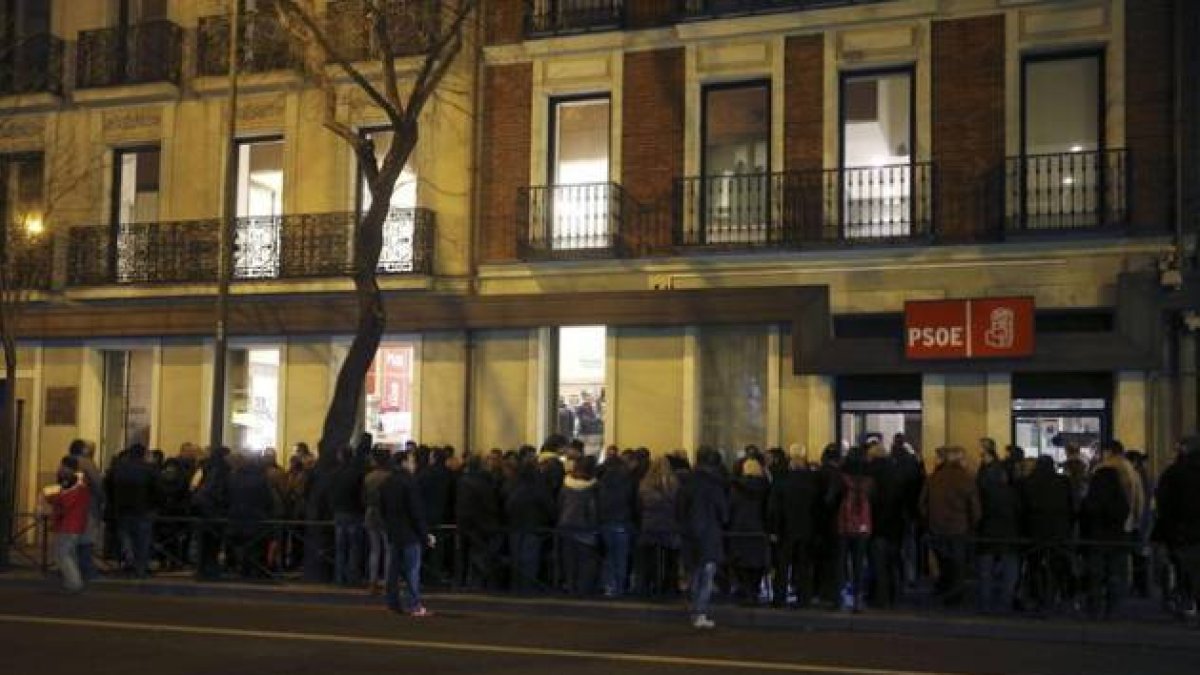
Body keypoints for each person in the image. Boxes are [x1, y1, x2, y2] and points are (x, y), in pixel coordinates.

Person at [920, 446, 979, 607]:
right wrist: (973, 524)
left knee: (943, 561)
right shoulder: (966, 479)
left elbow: (922, 504)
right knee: (958, 563)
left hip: (937, 527)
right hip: (959, 527)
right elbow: (974, 507)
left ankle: (944, 591)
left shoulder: (934, 478)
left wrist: (929, 520)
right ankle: (956, 596)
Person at [678, 447, 728, 629]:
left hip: (690, 534)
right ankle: (700, 612)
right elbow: (724, 513)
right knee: (706, 576)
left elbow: (680, 510)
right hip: (709, 534)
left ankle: (694, 610)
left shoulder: (687, 482)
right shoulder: (715, 485)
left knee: (695, 574)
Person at [380, 450, 435, 617]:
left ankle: (392, 603)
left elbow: (382, 508)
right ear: (404, 463)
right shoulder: (410, 482)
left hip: (394, 532)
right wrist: (425, 534)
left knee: (393, 570)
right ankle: (414, 605)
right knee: (412, 571)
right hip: (410, 533)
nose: (414, 464)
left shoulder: (387, 482)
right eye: (411, 461)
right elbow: (416, 511)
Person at [1020, 455, 1076, 613]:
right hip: (1059, 531)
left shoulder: (1027, 483)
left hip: (1035, 531)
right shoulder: (1063, 482)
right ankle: (1059, 595)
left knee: (1034, 565)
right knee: (1058, 565)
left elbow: (1022, 508)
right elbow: (1071, 507)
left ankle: (1036, 596)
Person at [1154, 436, 1200, 624]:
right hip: (1187, 531)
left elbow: (1163, 503)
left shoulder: (1174, 472)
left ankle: (1189, 605)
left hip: (1183, 533)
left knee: (1185, 572)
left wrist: (1168, 529)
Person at [1080, 457, 1130, 619]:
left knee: (1095, 576)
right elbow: (1124, 516)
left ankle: (1094, 609)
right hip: (1115, 541)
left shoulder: (1092, 498)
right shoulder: (1120, 498)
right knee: (1114, 576)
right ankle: (1112, 609)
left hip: (1095, 541)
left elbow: (1085, 519)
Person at [767, 447, 818, 607]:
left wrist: (773, 529)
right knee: (803, 566)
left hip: (785, 529)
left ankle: (779, 598)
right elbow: (817, 508)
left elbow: (773, 508)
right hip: (807, 528)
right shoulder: (812, 482)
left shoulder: (781, 481)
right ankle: (804, 598)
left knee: (782, 566)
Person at [976, 460, 1021, 614]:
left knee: (985, 572)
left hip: (987, 535)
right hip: (1009, 535)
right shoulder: (1012, 493)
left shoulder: (983, 493)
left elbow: (977, 514)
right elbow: (1020, 512)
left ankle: (985, 603)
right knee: (1010, 571)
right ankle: (1005, 602)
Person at [504, 459, 555, 593]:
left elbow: (507, 505)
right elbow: (549, 507)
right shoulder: (539, 487)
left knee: (516, 562)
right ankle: (527, 591)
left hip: (515, 528)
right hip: (533, 528)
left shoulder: (513, 485)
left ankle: (517, 589)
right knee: (529, 563)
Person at [44, 456, 92, 593]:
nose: (59, 468)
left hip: (69, 524)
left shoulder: (75, 483)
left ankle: (74, 582)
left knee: (63, 554)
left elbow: (65, 501)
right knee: (68, 554)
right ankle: (72, 581)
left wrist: (52, 498)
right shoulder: (79, 482)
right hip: (72, 523)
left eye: (61, 466)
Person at [110, 443, 158, 578]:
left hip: (122, 509)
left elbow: (108, 486)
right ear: (143, 454)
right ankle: (140, 569)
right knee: (142, 541)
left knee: (126, 537)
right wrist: (154, 505)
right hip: (143, 510)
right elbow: (158, 489)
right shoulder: (149, 469)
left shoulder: (118, 468)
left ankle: (128, 561)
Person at [636, 455, 681, 597]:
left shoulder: (644, 484)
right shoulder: (674, 484)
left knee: (650, 558)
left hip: (650, 525)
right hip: (670, 524)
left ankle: (651, 585)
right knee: (671, 558)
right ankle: (670, 586)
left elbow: (639, 506)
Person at [836, 447, 875, 612]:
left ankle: (840, 597)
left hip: (844, 526)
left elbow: (831, 499)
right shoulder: (869, 480)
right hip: (863, 526)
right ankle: (858, 597)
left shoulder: (841, 478)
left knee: (841, 562)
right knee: (859, 562)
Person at [457, 454, 504, 589]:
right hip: (484, 526)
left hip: (470, 526)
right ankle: (483, 585)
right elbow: (491, 505)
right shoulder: (486, 482)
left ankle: (472, 584)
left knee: (474, 557)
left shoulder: (464, 482)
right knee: (483, 557)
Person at [729, 457, 770, 605]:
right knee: (757, 562)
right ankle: (754, 590)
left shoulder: (736, 487)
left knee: (741, 561)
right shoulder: (766, 488)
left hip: (739, 528)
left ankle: (745, 591)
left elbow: (731, 507)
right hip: (759, 528)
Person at [557, 455, 600, 596]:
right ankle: (583, 591)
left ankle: (570, 588)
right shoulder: (593, 487)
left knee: (569, 562)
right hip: (585, 529)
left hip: (566, 527)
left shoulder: (566, 484)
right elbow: (593, 510)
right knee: (585, 563)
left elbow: (560, 505)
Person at [597, 450, 637, 597]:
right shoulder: (628, 479)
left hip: (606, 521)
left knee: (609, 555)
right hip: (623, 520)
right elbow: (632, 501)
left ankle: (609, 586)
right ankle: (620, 587)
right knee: (621, 556)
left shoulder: (604, 479)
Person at [67, 439, 103, 581]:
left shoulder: (66, 462)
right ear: (83, 450)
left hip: (69, 506)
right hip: (86, 505)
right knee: (86, 539)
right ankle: (88, 571)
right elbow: (97, 484)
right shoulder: (86, 463)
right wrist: (102, 499)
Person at [331, 445, 367, 586]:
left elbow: (331, 494)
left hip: (339, 513)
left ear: (340, 456)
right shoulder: (357, 473)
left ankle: (339, 578)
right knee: (354, 547)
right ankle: (352, 578)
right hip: (355, 513)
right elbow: (361, 494)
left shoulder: (334, 473)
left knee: (340, 548)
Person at [363, 447, 394, 595]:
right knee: (388, 549)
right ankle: (388, 582)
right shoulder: (390, 477)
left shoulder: (368, 477)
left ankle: (372, 582)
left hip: (371, 512)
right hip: (386, 514)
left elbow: (363, 497)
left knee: (374, 550)